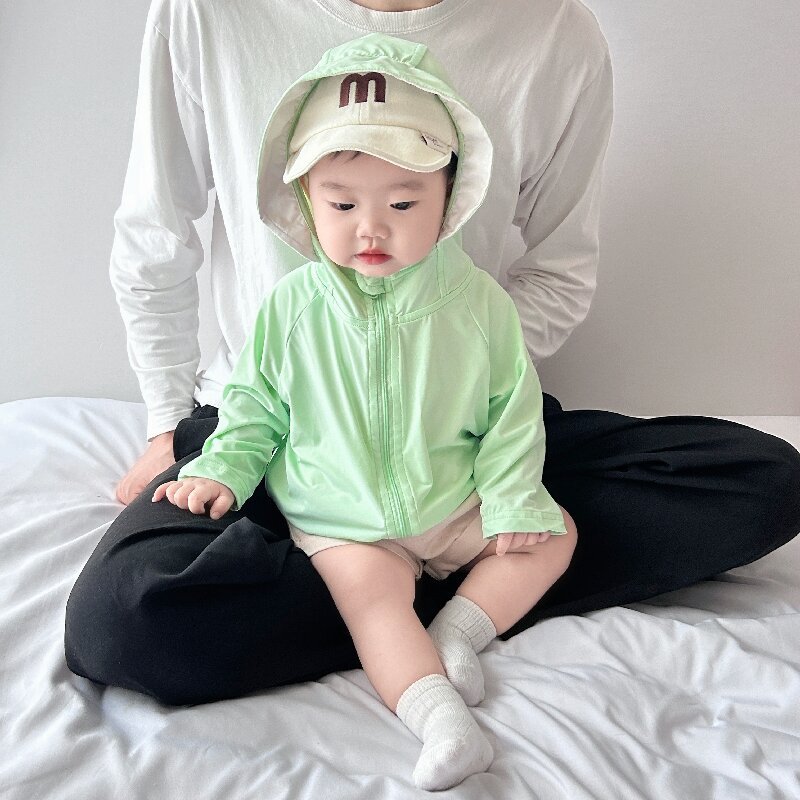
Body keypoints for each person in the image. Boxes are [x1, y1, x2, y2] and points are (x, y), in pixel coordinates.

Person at [65, 0, 800, 711]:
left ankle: (412, 594)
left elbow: (559, 271)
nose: (371, 225)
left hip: (466, 436)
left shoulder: (554, 30)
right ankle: (419, 590)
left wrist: (461, 372)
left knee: (764, 479)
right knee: (123, 625)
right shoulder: (206, 11)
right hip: (271, 429)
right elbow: (156, 238)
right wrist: (167, 421)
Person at [149, 40, 575, 788]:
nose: (370, 228)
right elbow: (254, 406)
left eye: (402, 204)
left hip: (454, 499)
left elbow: (512, 411)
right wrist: (222, 470)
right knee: (372, 605)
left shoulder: (479, 305)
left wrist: (510, 499)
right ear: (305, 202)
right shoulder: (291, 306)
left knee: (554, 533)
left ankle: (457, 633)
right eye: (342, 205)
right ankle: (444, 723)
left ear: (450, 197)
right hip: (343, 516)